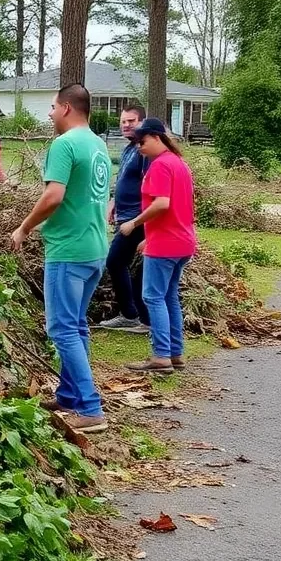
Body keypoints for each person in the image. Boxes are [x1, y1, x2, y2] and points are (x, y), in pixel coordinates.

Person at [11, 84, 112, 434]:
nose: (50, 113)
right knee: (77, 325)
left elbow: (53, 195)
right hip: (96, 248)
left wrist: (24, 228)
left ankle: (89, 406)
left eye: (53, 107)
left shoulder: (65, 144)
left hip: (68, 250)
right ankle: (69, 394)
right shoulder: (98, 145)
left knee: (62, 328)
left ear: (67, 108)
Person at [118, 117, 197, 373]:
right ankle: (176, 353)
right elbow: (175, 209)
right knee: (169, 296)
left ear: (156, 137)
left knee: (152, 296)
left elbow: (162, 203)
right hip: (182, 241)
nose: (139, 145)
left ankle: (161, 356)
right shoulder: (179, 163)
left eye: (142, 140)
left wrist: (133, 223)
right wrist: (148, 236)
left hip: (166, 245)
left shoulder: (160, 165)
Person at [98, 104, 150, 333]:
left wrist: (141, 221)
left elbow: (151, 187)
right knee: (123, 265)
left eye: (132, 121)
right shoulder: (130, 148)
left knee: (115, 261)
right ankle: (137, 314)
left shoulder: (144, 151)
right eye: (123, 121)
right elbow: (122, 179)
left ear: (142, 122)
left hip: (136, 219)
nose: (126, 125)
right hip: (124, 215)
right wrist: (113, 202)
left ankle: (131, 314)